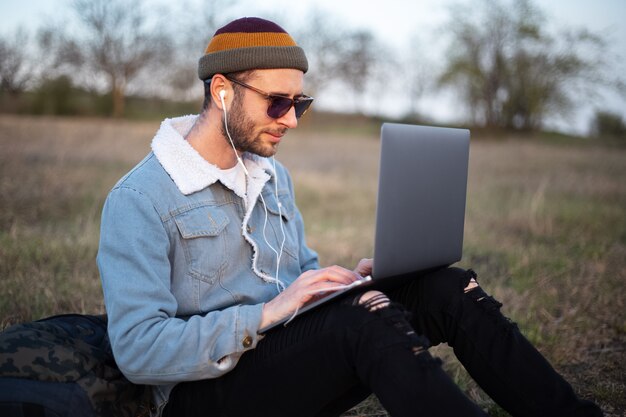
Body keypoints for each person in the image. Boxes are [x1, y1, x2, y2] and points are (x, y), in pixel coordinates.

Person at [97, 17, 603, 417]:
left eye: (300, 103)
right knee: (367, 320)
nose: (291, 120)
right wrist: (266, 315)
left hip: (286, 362)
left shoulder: (272, 177)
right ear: (222, 90)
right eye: (277, 103)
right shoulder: (141, 198)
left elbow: (298, 281)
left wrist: (337, 286)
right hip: (203, 394)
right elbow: (139, 352)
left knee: (444, 289)